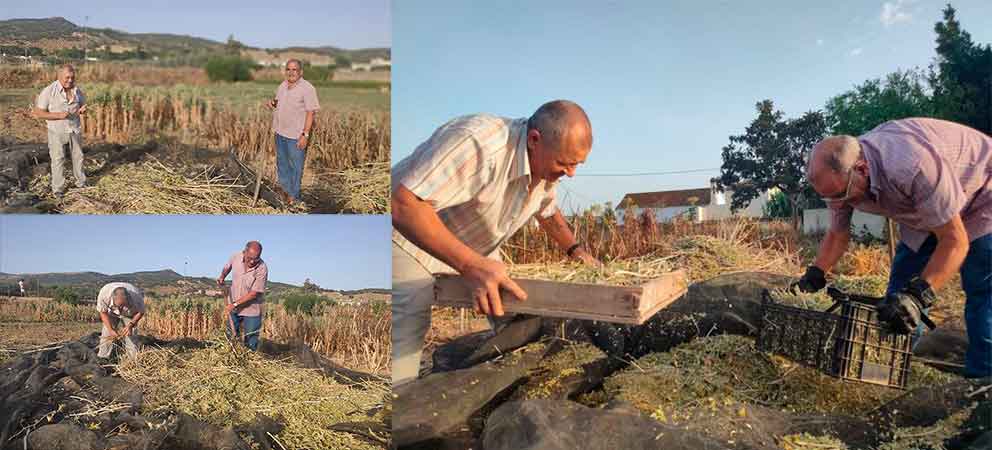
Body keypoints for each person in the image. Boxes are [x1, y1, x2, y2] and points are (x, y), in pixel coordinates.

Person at [391, 100, 601, 385]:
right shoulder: (478, 143)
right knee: (407, 324)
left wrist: (575, 251)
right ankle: (393, 409)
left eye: (577, 164)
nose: (571, 173)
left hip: (475, 246)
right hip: (407, 237)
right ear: (535, 140)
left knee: (520, 313)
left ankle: (516, 389)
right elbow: (404, 205)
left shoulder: (544, 165)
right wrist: (470, 265)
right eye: (565, 164)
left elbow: (547, 209)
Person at [795, 117, 991, 378]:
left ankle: (983, 381)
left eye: (840, 196)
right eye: (829, 197)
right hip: (924, 212)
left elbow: (955, 241)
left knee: (982, 287)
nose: (837, 203)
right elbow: (837, 234)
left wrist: (920, 295)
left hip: (982, 194)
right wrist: (816, 272)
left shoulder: (912, 165)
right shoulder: (841, 180)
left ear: (862, 169)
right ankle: (892, 370)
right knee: (897, 299)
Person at [267, 59, 320, 203]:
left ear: (301, 72)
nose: (291, 72)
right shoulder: (282, 86)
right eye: (288, 69)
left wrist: (305, 135)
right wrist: (272, 103)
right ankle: (285, 193)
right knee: (282, 164)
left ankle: (294, 198)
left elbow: (311, 113)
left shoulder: (307, 89)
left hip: (296, 136)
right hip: (279, 132)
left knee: (296, 167)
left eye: (294, 69)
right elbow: (278, 102)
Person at [32, 64, 87, 198]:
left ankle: (81, 183)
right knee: (58, 159)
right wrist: (58, 115)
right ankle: (58, 189)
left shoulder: (77, 90)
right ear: (59, 76)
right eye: (67, 77)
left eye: (72, 78)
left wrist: (83, 109)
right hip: (57, 131)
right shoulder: (49, 91)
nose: (70, 80)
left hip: (74, 129)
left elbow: (82, 104)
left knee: (78, 156)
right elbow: (38, 112)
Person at [217, 241, 269, 350]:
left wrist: (235, 304)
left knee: (251, 341)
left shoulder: (262, 268)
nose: (252, 261)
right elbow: (227, 267)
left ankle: (249, 362)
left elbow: (254, 293)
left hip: (251, 309)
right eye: (250, 257)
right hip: (234, 305)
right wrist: (222, 276)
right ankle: (230, 358)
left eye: (256, 258)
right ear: (244, 252)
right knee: (230, 337)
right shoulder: (236, 257)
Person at [96, 282, 145, 359]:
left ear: (127, 298)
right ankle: (103, 357)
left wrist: (131, 325)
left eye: (123, 305)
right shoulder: (104, 295)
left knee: (130, 334)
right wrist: (110, 329)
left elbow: (141, 312)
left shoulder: (136, 298)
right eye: (119, 305)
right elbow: (103, 313)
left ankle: (132, 359)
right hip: (111, 313)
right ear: (113, 298)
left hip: (130, 313)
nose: (120, 308)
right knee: (107, 334)